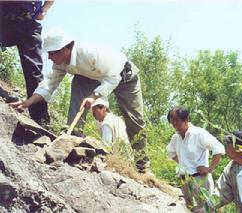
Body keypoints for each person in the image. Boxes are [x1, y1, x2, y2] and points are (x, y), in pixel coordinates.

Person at [10, 31, 148, 171]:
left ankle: (142, 166)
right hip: (90, 77)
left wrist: (94, 96)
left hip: (124, 76)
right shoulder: (60, 63)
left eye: (51, 53)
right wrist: (28, 102)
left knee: (135, 121)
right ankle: (73, 140)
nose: (49, 57)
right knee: (78, 81)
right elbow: (49, 84)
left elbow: (113, 78)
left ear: (64, 50)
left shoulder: (90, 53)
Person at [0, 0, 54, 125]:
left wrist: (44, 10)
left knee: (34, 69)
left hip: (28, 23)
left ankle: (40, 118)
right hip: (3, 18)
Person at [166, 107, 225, 212]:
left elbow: (219, 148)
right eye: (173, 124)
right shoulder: (176, 137)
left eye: (178, 123)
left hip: (200, 178)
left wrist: (209, 168)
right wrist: (183, 163)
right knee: (191, 209)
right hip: (184, 178)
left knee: (207, 209)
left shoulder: (199, 133)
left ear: (186, 119)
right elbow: (170, 152)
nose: (176, 126)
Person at [214, 131, 242, 213]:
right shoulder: (231, 168)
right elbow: (221, 193)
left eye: (227, 143)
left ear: (239, 147)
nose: (225, 147)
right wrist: (205, 208)